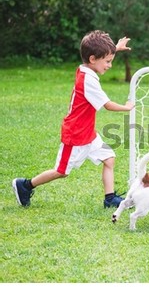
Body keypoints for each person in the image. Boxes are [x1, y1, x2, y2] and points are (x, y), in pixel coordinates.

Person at [12, 30, 134, 208]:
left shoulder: (85, 68)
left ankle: (109, 199)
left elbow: (97, 56)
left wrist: (114, 48)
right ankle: (24, 185)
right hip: (75, 135)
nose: (109, 65)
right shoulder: (88, 80)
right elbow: (107, 105)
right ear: (93, 59)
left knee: (109, 159)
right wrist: (127, 107)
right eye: (107, 61)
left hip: (89, 134)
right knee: (61, 172)